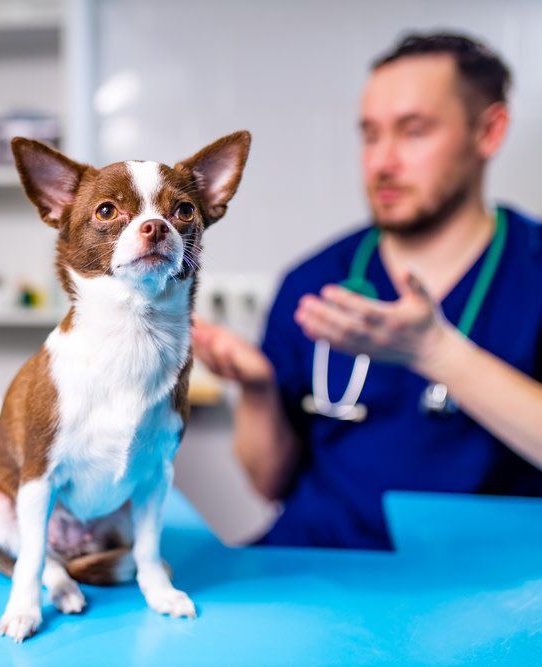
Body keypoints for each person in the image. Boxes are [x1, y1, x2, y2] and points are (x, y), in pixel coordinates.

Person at [192, 32, 542, 550]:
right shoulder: (314, 282)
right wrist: (259, 391)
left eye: (414, 131)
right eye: (371, 135)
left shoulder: (530, 272)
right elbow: (270, 484)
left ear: (488, 132)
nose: (383, 161)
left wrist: (436, 352)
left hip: (480, 584)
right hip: (316, 566)